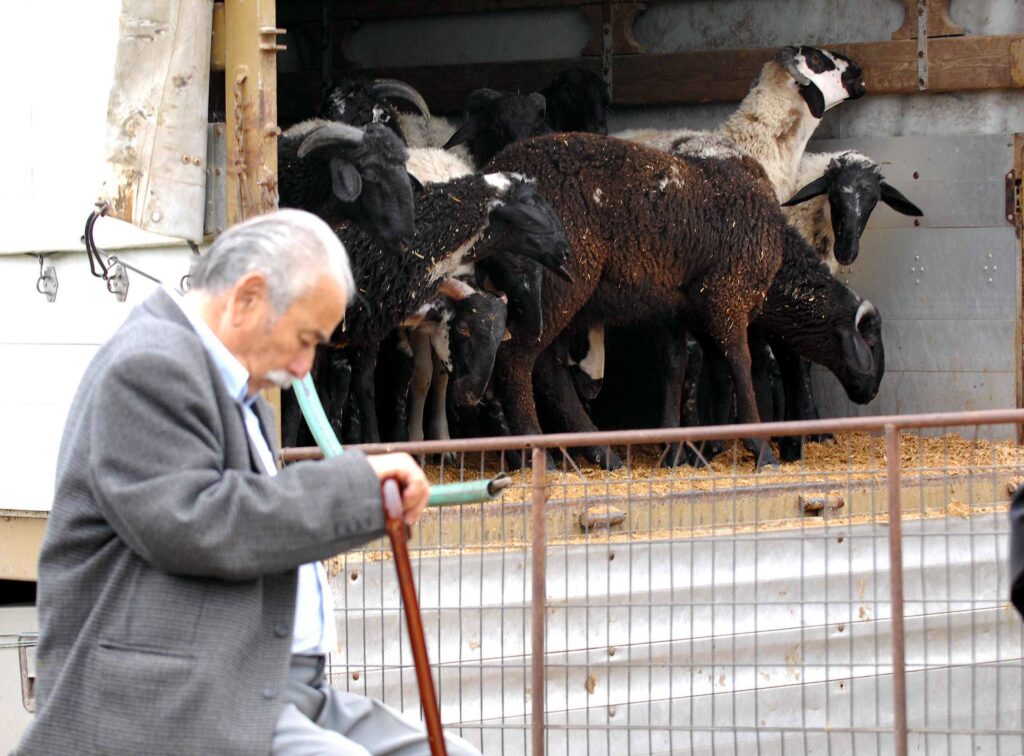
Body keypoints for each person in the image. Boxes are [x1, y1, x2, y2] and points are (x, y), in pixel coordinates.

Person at [15, 210, 480, 756]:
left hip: (271, 686)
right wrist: (356, 487)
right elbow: (199, 522)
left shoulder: (227, 384)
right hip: (178, 702)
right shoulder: (151, 366)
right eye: (306, 338)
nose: (306, 367)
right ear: (249, 297)